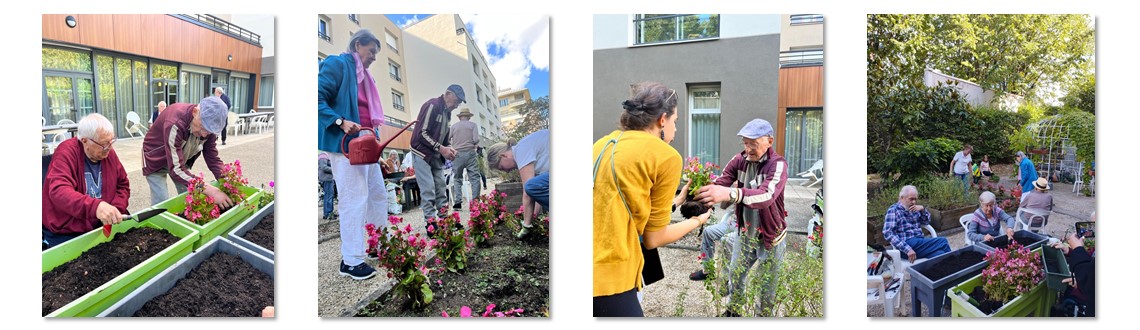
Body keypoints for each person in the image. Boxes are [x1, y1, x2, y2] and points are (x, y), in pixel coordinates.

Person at [593, 82, 710, 317]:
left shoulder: (602, 144)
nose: (675, 130)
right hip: (609, 276)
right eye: (675, 121)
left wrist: (679, 199)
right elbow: (653, 238)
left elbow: (620, 202)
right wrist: (698, 221)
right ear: (662, 120)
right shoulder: (666, 156)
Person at [693, 118, 788, 317]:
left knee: (767, 287)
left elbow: (767, 195)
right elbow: (721, 182)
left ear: (769, 141)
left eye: (754, 144)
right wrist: (699, 193)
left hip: (772, 237)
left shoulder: (777, 165)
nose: (748, 149)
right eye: (745, 143)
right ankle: (734, 312)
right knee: (736, 276)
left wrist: (732, 194)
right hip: (745, 233)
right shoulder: (739, 160)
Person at [317, 29, 389, 280]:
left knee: (378, 196)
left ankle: (379, 245)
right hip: (345, 145)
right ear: (358, 45)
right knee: (354, 199)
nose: (374, 58)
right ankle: (351, 261)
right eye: (371, 52)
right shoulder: (337, 64)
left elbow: (369, 116)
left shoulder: (366, 78)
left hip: (367, 145)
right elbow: (316, 97)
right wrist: (339, 121)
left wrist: (377, 147)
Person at [42, 113, 130, 249]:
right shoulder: (66, 152)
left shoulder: (108, 153)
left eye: (111, 141)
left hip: (101, 222)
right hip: (70, 229)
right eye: (104, 144)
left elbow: (123, 184)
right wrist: (96, 207)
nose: (109, 148)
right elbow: (59, 190)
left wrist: (114, 209)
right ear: (84, 141)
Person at [142, 96, 233, 208]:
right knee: (161, 202)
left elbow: (213, 160)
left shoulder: (208, 129)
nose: (204, 135)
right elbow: (176, 170)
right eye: (202, 128)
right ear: (195, 112)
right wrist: (210, 190)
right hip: (156, 158)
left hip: (178, 159)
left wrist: (227, 182)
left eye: (209, 132)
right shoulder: (175, 123)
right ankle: (158, 223)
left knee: (189, 194)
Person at [410, 84, 465, 228]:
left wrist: (449, 148)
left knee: (441, 187)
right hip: (421, 152)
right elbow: (422, 133)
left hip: (435, 154)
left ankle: (444, 219)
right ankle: (430, 222)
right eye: (457, 100)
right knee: (428, 188)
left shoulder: (448, 113)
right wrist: (441, 148)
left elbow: (444, 138)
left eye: (460, 102)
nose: (458, 104)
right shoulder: (432, 105)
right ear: (448, 94)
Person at [486, 129, 550, 238]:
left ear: (503, 156)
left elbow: (528, 192)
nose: (506, 171)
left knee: (530, 186)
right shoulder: (524, 148)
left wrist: (526, 226)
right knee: (534, 186)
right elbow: (537, 194)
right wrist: (531, 218)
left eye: (502, 167)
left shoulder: (521, 150)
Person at [882, 185, 951, 262]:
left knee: (939, 253)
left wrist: (922, 210)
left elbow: (926, 222)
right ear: (902, 198)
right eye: (911, 199)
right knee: (943, 241)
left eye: (915, 199)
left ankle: (918, 274)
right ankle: (957, 267)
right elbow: (888, 233)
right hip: (906, 245)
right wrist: (907, 249)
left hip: (919, 243)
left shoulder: (914, 208)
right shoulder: (894, 210)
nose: (914, 202)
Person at [1050, 232, 1095, 316]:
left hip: (1085, 301)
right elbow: (1089, 262)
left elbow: (1090, 282)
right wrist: (1069, 251)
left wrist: (1078, 248)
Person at [449, 108, 482, 209]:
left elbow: (447, 139)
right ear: (468, 116)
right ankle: (475, 202)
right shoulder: (473, 125)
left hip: (457, 154)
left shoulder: (454, 127)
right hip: (470, 153)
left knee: (457, 178)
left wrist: (453, 147)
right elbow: (476, 139)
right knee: (474, 178)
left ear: (460, 117)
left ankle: (458, 202)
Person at [318, 152, 336, 220]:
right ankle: (328, 214)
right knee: (328, 196)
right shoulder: (323, 156)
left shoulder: (326, 156)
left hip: (329, 178)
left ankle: (329, 213)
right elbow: (324, 167)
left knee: (329, 196)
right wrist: (334, 169)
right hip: (326, 179)